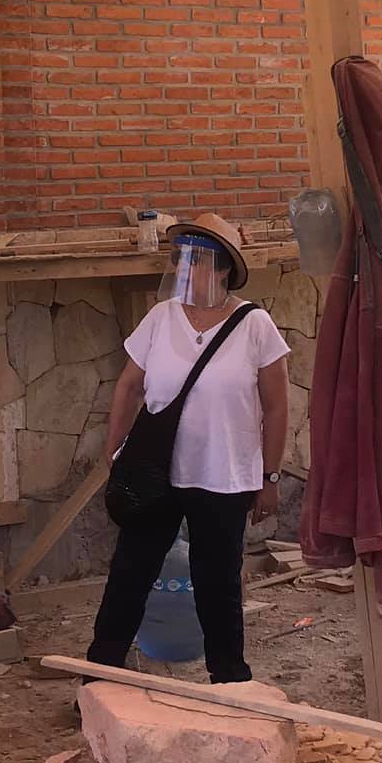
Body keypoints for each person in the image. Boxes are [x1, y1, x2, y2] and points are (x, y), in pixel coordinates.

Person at [87, 214, 291, 684]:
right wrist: (113, 449)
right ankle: (99, 678)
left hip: (225, 475)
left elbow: (277, 408)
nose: (183, 268)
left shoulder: (255, 325)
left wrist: (271, 477)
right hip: (156, 475)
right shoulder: (161, 317)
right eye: (180, 259)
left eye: (194, 260)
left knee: (218, 585)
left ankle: (230, 681)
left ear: (221, 269)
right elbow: (128, 385)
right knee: (129, 576)